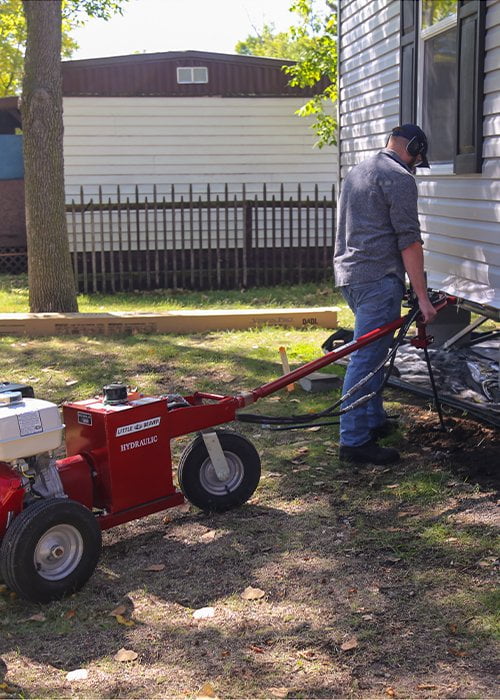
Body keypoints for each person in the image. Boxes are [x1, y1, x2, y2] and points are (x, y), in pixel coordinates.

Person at [333, 124, 438, 465]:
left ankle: (372, 421)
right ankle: (353, 441)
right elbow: (409, 240)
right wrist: (422, 297)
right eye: (417, 159)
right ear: (414, 148)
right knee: (366, 356)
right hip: (378, 278)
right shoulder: (399, 178)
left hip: (352, 277)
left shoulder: (359, 171)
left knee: (376, 352)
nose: (415, 166)